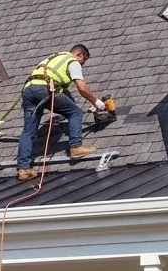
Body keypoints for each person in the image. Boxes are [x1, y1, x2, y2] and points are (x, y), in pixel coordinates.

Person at [15, 44, 105, 181]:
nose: (82, 64)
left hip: (28, 90)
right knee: (76, 113)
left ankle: (24, 168)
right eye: (84, 60)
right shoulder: (73, 61)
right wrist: (96, 102)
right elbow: (81, 87)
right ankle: (76, 147)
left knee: (28, 131)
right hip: (45, 89)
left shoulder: (53, 59)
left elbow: (65, 94)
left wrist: (79, 105)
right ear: (79, 55)